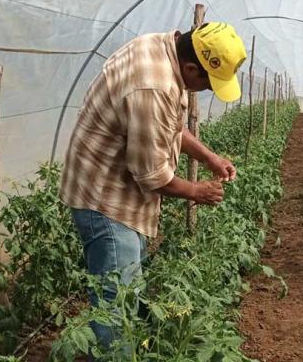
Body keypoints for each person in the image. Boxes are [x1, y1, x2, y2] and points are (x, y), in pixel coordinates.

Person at [59, 22, 247, 351]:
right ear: (191, 68)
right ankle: (115, 355)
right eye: (209, 84)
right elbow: (152, 175)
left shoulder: (164, 49)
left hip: (116, 187)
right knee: (114, 301)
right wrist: (196, 191)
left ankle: (128, 349)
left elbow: (170, 126)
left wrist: (209, 158)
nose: (208, 91)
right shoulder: (154, 85)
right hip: (104, 198)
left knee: (126, 286)